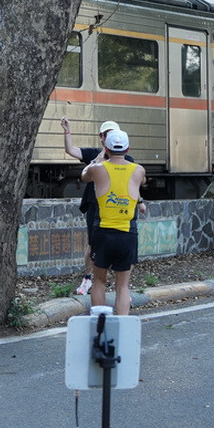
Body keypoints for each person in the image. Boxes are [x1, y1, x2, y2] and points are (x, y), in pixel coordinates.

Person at [81, 129, 147, 315]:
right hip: (127, 233)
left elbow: (84, 175)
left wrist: (101, 157)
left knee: (99, 282)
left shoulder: (97, 169)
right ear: (128, 149)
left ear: (106, 148)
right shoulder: (138, 170)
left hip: (102, 232)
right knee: (123, 286)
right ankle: (122, 326)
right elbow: (141, 182)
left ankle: (100, 326)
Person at [61, 116, 126, 296]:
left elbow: (133, 182)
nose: (109, 137)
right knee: (92, 243)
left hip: (115, 206)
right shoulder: (94, 155)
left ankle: (119, 284)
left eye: (113, 133)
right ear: (102, 137)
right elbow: (71, 150)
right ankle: (88, 279)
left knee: (117, 241)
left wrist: (140, 202)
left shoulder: (125, 157)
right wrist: (67, 131)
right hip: (95, 205)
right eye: (106, 134)